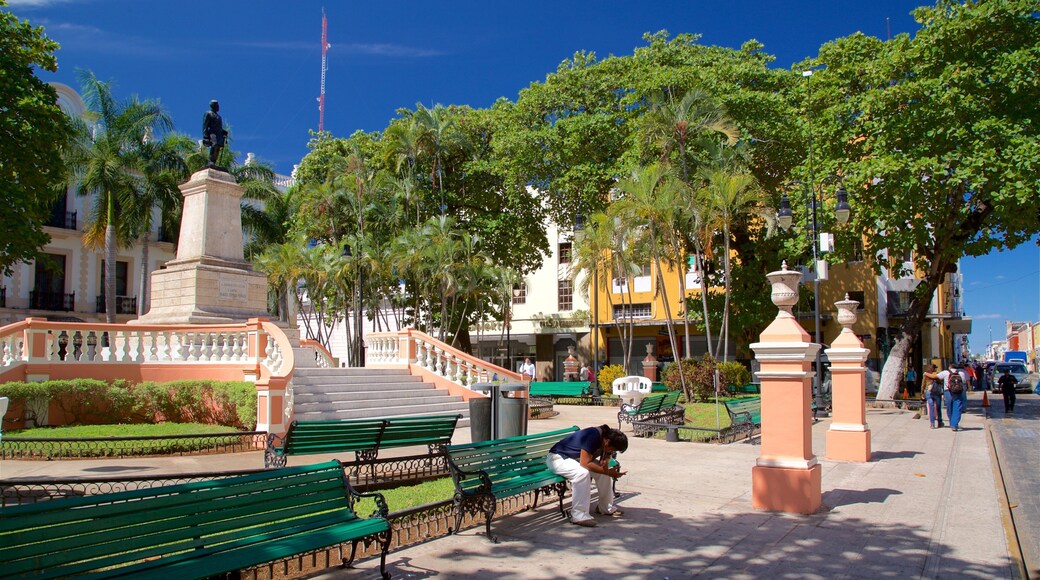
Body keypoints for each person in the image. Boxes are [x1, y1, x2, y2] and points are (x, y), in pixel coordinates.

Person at [546, 424, 627, 527]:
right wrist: (607, 472)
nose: (612, 451)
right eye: (612, 449)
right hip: (558, 459)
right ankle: (578, 515)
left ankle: (606, 507)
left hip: (575, 459)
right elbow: (585, 463)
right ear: (607, 441)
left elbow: (607, 454)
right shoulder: (592, 435)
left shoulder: (607, 436)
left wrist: (605, 461)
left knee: (603, 474)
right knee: (582, 473)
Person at [936, 363, 969, 431]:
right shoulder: (961, 373)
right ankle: (954, 424)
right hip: (958, 392)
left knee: (949, 407)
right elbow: (963, 382)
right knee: (957, 408)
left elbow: (936, 377)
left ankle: (951, 422)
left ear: (949, 367)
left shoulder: (945, 372)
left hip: (948, 392)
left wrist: (926, 374)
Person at [202, 100, 228, 166]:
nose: (218, 107)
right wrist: (205, 137)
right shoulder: (208, 113)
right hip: (212, 133)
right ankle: (210, 161)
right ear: (214, 106)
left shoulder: (219, 117)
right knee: (214, 145)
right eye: (217, 105)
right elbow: (205, 125)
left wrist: (223, 132)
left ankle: (214, 162)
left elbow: (219, 127)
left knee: (218, 148)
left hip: (219, 134)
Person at [922, 364, 944, 429]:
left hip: (929, 391)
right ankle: (939, 422)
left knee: (931, 408)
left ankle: (932, 424)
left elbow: (923, 384)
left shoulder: (926, 375)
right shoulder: (937, 374)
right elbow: (941, 382)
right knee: (938, 407)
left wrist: (922, 393)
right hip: (937, 392)